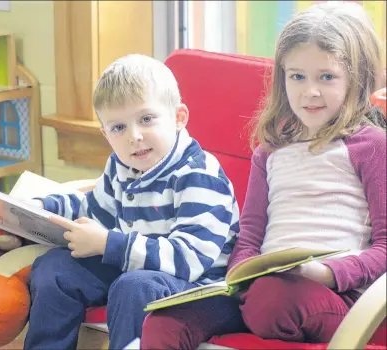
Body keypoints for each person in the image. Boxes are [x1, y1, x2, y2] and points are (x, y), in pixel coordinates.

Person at [141, 2, 386, 348]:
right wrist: (241, 275)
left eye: (326, 77)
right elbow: (251, 236)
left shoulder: (371, 146)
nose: (309, 91)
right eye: (296, 76)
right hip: (258, 291)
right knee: (163, 322)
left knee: (270, 301)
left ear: (354, 79)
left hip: (335, 296)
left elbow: (385, 246)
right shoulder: (270, 151)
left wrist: (328, 274)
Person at [0, 54, 240, 349]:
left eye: (146, 119)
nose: (134, 137)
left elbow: (191, 259)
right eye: (118, 128)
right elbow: (93, 209)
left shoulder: (199, 174)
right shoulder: (121, 167)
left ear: (179, 118)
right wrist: (40, 209)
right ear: (105, 134)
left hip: (200, 289)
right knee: (54, 268)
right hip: (133, 267)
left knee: (133, 287)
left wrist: (110, 244)